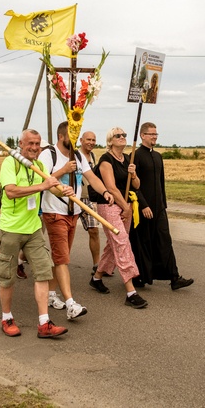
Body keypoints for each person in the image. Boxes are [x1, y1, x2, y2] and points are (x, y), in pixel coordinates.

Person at [0, 129, 71, 338]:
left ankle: (44, 323)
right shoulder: (10, 163)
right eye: (30, 143)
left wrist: (63, 190)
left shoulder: (38, 166)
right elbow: (10, 191)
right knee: (7, 277)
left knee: (43, 272)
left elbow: (51, 187)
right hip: (10, 229)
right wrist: (43, 185)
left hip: (33, 229)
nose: (35, 147)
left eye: (38, 144)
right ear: (21, 144)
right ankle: (6, 317)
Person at [39, 122, 113, 320]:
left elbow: (91, 177)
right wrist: (63, 169)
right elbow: (42, 181)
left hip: (73, 212)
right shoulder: (49, 154)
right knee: (62, 258)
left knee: (60, 257)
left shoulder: (79, 156)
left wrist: (104, 191)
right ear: (62, 136)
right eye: (73, 136)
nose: (76, 140)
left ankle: (51, 294)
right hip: (55, 212)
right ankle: (71, 304)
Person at [89, 128, 149, 308]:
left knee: (113, 244)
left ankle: (97, 277)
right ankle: (131, 292)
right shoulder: (106, 160)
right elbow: (111, 188)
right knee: (122, 243)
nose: (122, 138)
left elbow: (137, 185)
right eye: (118, 136)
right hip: (109, 206)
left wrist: (134, 173)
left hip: (126, 205)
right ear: (110, 140)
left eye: (124, 135)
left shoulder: (127, 160)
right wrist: (125, 207)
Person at [130, 122, 194, 290]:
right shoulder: (135, 156)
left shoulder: (158, 156)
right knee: (145, 243)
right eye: (151, 134)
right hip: (143, 208)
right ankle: (141, 276)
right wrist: (143, 205)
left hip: (159, 209)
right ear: (143, 135)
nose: (155, 137)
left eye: (156, 134)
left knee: (165, 241)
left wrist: (163, 205)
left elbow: (161, 183)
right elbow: (132, 185)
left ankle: (174, 277)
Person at [79, 131, 104, 274]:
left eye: (94, 140)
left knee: (94, 230)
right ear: (81, 140)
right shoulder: (75, 155)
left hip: (88, 199)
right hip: (73, 198)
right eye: (88, 139)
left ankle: (97, 264)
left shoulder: (93, 156)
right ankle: (22, 258)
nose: (91, 142)